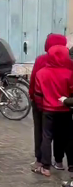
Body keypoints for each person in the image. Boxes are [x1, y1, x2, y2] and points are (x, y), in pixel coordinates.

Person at [29, 34, 68, 171]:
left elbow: (33, 81)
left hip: (43, 103)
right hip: (64, 106)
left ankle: (41, 161)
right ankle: (59, 160)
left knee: (42, 132)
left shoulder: (41, 60)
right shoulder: (69, 61)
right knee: (61, 133)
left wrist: (33, 98)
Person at [33, 45, 73, 177]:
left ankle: (45, 166)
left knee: (46, 137)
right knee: (65, 136)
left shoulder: (41, 73)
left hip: (48, 110)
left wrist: (40, 107)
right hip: (65, 109)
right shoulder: (69, 73)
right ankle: (64, 163)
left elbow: (38, 94)